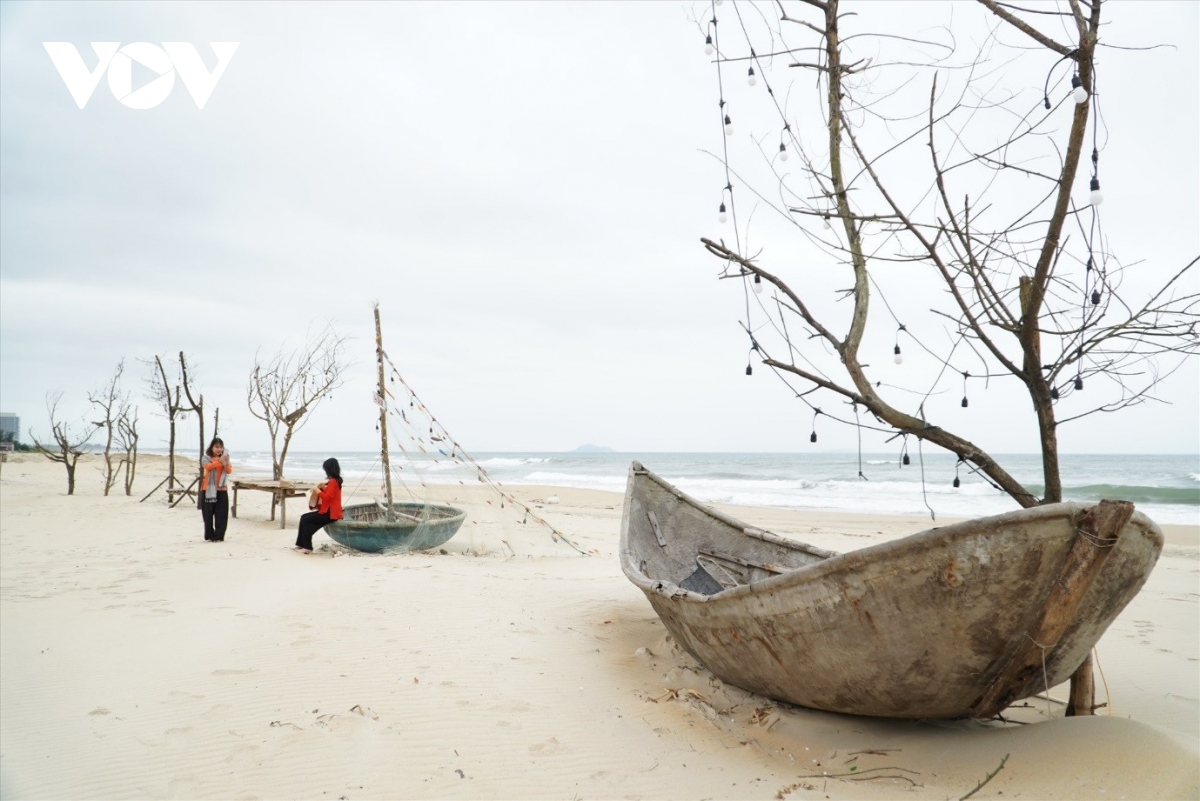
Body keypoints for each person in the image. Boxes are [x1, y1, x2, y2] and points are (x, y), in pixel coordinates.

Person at [295, 457, 344, 553]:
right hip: (329, 511)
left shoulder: (333, 481)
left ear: (329, 469)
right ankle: (301, 544)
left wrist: (317, 490)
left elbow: (327, 497)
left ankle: (307, 547)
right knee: (304, 517)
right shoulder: (336, 481)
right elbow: (331, 494)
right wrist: (323, 487)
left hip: (331, 513)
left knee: (306, 520)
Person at [200, 437, 232, 542]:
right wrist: (219, 461)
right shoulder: (206, 458)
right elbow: (208, 467)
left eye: (220, 447)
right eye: (216, 447)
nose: (219, 449)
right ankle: (209, 535)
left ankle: (219, 536)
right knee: (208, 515)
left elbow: (228, 471)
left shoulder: (225, 458)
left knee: (222, 514)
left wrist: (226, 462)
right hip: (208, 489)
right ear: (212, 447)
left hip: (221, 489)